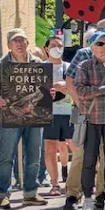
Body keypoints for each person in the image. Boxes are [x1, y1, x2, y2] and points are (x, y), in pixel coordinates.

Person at [62, 18, 105, 210]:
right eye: (102, 39)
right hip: (88, 114)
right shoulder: (83, 57)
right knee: (83, 157)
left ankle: (104, 196)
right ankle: (74, 195)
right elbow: (72, 82)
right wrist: (82, 103)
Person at [0, 28, 47, 209]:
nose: (19, 44)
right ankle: (2, 194)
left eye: (22, 40)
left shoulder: (38, 62)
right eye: (15, 41)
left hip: (35, 115)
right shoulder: (0, 64)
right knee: (6, 156)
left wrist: (48, 92)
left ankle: (30, 193)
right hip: (9, 115)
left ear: (28, 43)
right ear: (9, 45)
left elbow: (43, 89)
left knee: (34, 155)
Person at [42, 33, 73, 197]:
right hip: (48, 114)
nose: (56, 49)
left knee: (75, 147)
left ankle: (74, 182)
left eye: (60, 46)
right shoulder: (40, 68)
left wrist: (66, 86)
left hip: (69, 113)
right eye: (53, 46)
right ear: (46, 49)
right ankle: (55, 184)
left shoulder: (70, 67)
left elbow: (78, 88)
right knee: (50, 149)